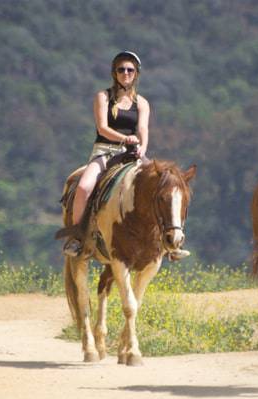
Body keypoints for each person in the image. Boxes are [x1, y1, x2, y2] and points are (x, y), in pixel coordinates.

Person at [63, 50, 190, 260]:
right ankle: (77, 237)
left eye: (130, 70)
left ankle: (171, 241)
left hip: (133, 153)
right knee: (84, 187)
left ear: (136, 73)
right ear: (114, 73)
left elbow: (143, 130)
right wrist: (123, 139)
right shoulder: (103, 97)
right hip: (105, 152)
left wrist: (143, 147)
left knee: (167, 187)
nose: (125, 73)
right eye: (121, 69)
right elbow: (102, 128)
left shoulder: (142, 103)